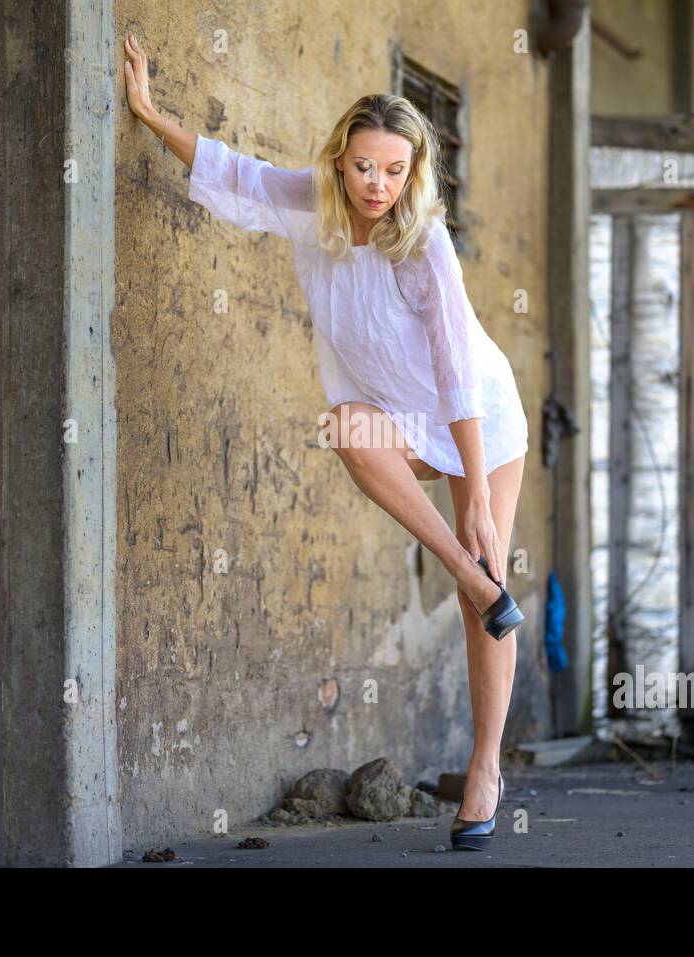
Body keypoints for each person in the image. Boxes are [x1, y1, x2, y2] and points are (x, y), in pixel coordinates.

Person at [124, 35, 526, 850]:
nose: (378, 185)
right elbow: (235, 175)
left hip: (479, 415)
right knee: (347, 430)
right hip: (393, 413)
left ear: (414, 172)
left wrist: (477, 491)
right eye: (365, 166)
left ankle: (485, 766)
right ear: (341, 161)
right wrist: (151, 113)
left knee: (486, 584)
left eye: (395, 170)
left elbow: (456, 374)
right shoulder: (313, 201)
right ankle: (467, 572)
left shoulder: (425, 244)